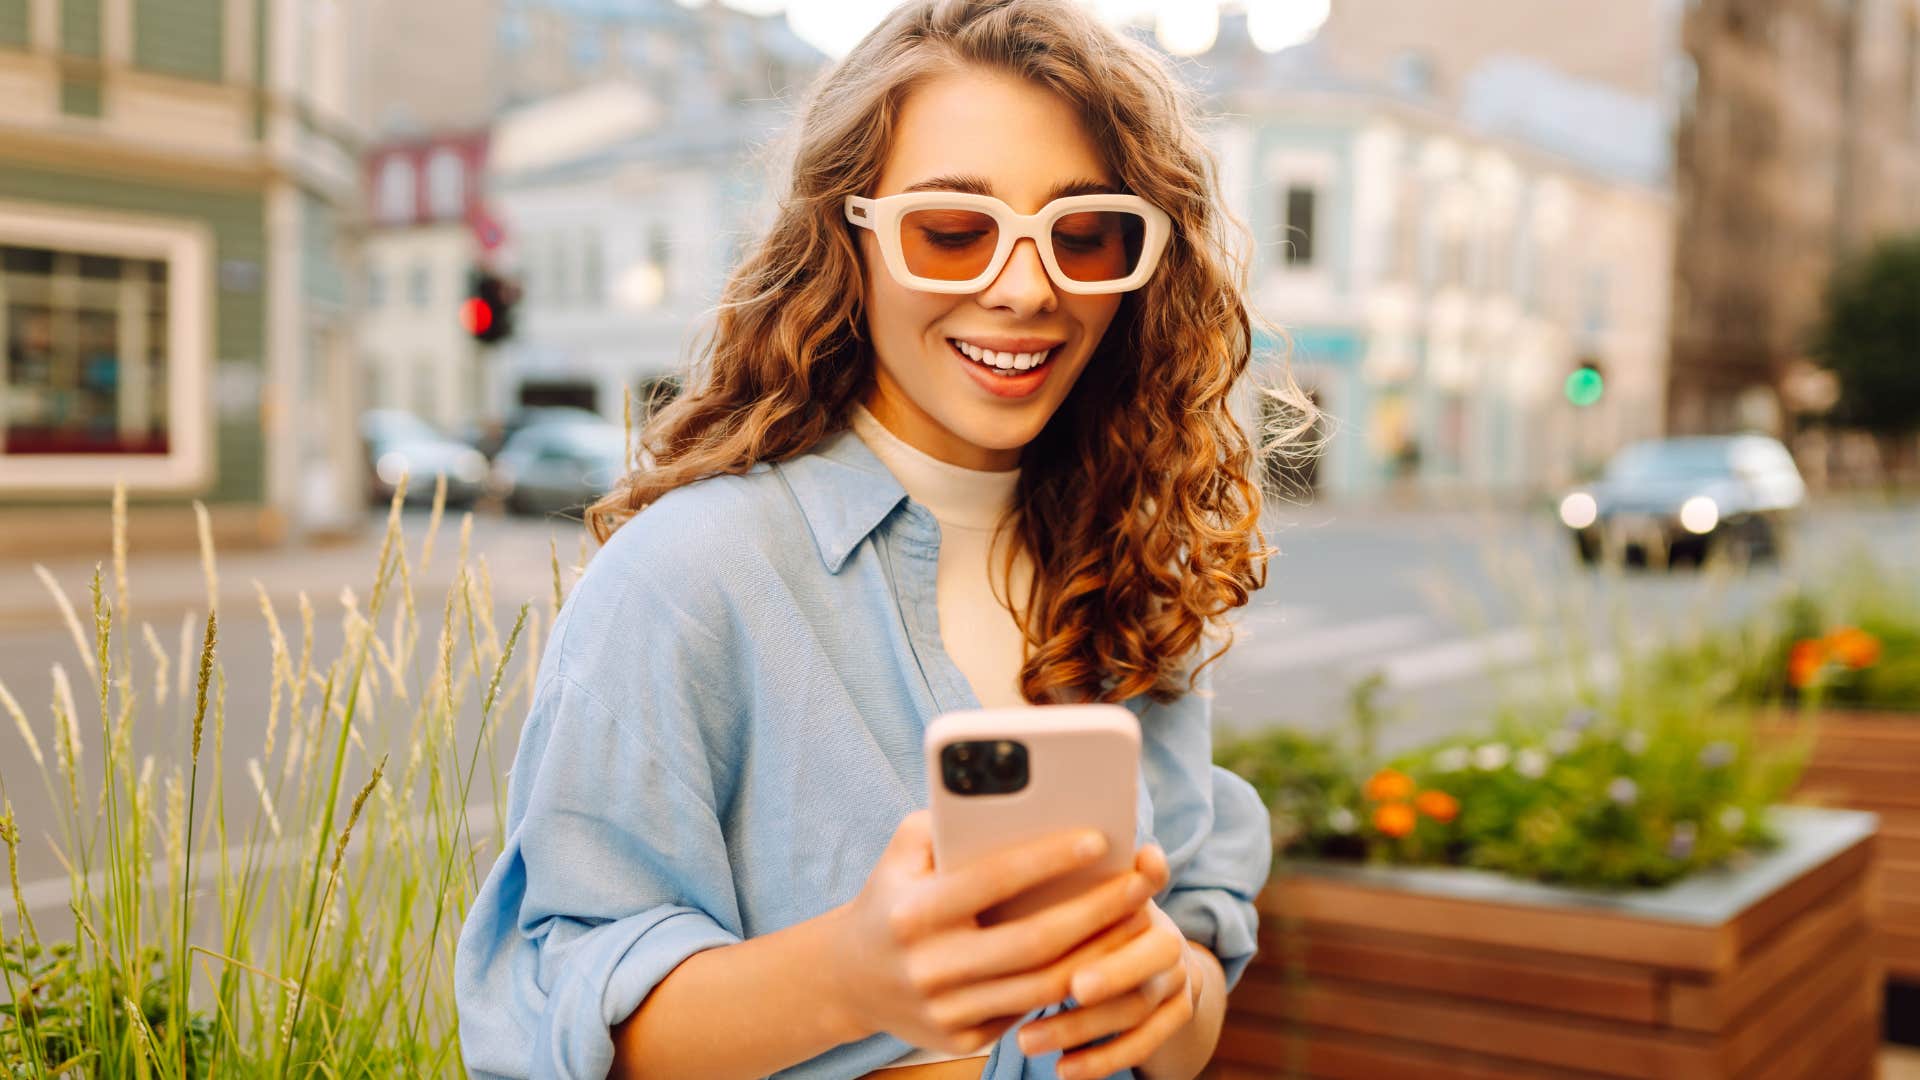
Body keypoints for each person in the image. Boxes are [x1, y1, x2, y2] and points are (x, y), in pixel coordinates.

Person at [453, 1, 1315, 1077]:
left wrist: (1164, 988)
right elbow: (548, 1026)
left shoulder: (1130, 562)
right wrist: (850, 977)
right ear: (845, 243)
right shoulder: (690, 577)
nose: (1024, 287)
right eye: (952, 231)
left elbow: (1189, 991)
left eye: (1084, 234)